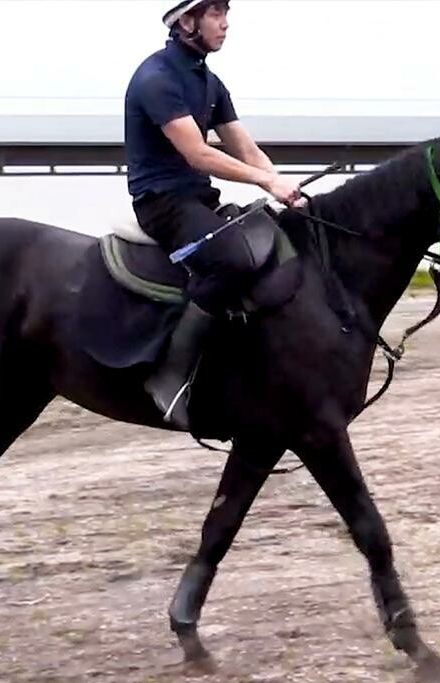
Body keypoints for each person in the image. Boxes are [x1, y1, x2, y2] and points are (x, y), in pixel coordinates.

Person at [124, 0, 304, 430]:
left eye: (226, 14)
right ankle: (168, 376)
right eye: (216, 15)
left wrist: (284, 187)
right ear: (187, 21)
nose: (225, 24)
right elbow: (199, 153)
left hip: (198, 199)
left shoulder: (209, 80)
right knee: (234, 259)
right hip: (162, 204)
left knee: (274, 240)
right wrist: (265, 183)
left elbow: (242, 146)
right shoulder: (157, 78)